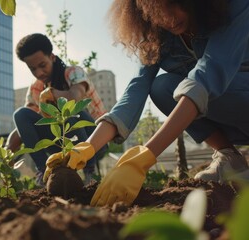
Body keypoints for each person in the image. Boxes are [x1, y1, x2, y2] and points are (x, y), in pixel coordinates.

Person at [45, 0, 249, 206]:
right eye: (158, 11)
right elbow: (136, 89)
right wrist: (88, 146)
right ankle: (230, 158)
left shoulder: (234, 6)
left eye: (174, 3)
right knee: (163, 87)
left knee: (191, 86)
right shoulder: (160, 36)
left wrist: (144, 158)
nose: (169, 17)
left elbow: (207, 77)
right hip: (229, 108)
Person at [5, 33, 107, 185]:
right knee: (21, 115)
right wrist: (6, 153)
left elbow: (75, 97)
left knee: (69, 108)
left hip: (94, 139)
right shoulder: (35, 88)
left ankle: (90, 172)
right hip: (60, 141)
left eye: (42, 65)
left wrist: (52, 93)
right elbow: (25, 124)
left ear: (52, 57)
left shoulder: (73, 72)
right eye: (33, 69)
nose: (39, 73)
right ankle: (44, 171)